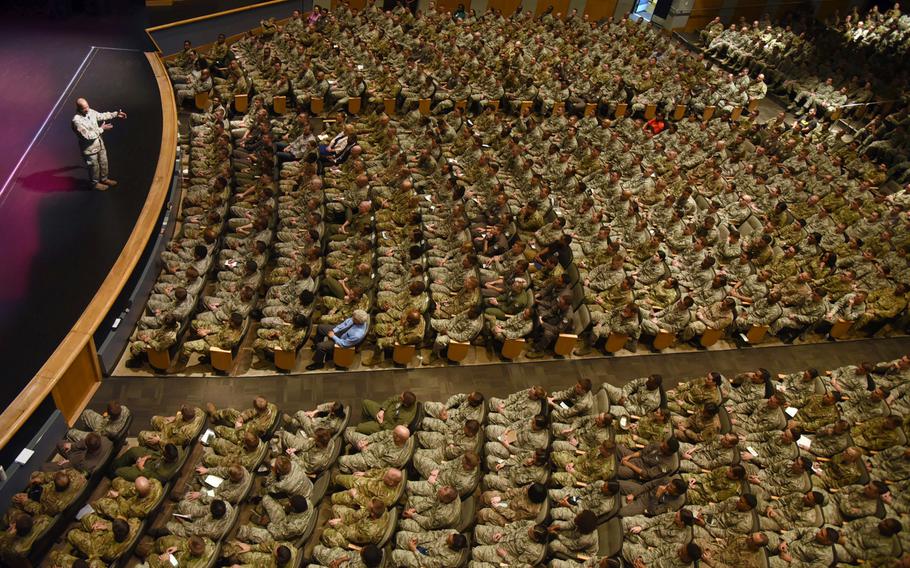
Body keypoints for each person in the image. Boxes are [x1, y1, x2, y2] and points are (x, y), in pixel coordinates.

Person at [71, 98, 126, 191]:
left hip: (99, 144)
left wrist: (116, 114)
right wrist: (102, 129)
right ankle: (94, 184)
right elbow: (88, 136)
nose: (87, 109)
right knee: (94, 167)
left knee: (104, 162)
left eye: (87, 106)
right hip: (89, 149)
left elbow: (101, 116)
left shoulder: (90, 111)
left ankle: (104, 179)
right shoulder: (76, 121)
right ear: (79, 108)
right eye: (84, 108)